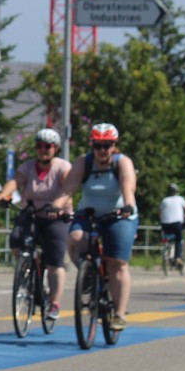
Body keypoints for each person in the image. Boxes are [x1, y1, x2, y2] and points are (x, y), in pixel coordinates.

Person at [60, 123, 138, 332]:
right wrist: (55, 207)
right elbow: (68, 190)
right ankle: (88, 274)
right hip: (89, 212)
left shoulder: (122, 162)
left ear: (114, 146)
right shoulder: (83, 162)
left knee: (117, 262)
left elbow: (127, 187)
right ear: (92, 145)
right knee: (75, 239)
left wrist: (128, 206)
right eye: (98, 145)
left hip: (119, 214)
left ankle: (120, 313)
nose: (102, 150)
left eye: (107, 145)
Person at [0, 128, 72, 320]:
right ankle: (30, 267)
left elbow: (67, 190)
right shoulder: (28, 167)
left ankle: (54, 303)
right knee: (16, 242)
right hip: (31, 213)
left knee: (55, 261)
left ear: (56, 149)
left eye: (48, 146)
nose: (43, 150)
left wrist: (58, 207)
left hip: (55, 216)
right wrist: (5, 194)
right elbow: (15, 181)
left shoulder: (62, 167)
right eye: (39, 146)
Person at [158, 183, 185, 267]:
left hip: (165, 224)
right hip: (177, 223)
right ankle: (178, 257)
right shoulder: (180, 199)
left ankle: (167, 248)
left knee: (167, 236)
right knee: (178, 240)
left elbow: (160, 212)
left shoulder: (164, 200)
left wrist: (161, 220)